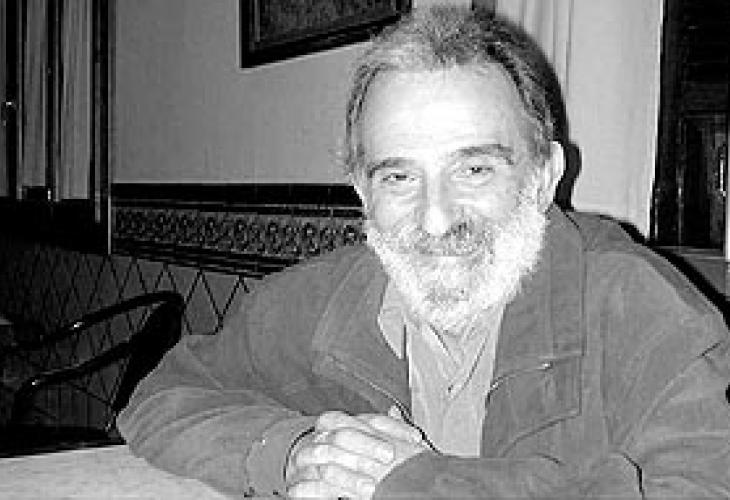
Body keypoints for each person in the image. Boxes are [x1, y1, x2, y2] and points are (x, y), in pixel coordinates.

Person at [118, 6, 730, 499]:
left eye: (474, 168)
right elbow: (162, 400)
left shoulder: (643, 309)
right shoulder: (310, 300)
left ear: (544, 176)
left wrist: (415, 483)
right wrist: (293, 452)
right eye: (399, 177)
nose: (436, 219)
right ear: (363, 193)